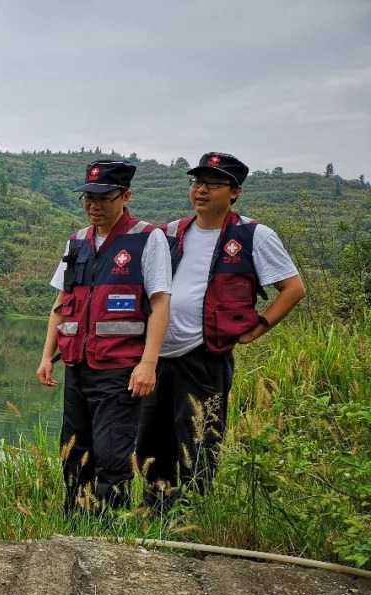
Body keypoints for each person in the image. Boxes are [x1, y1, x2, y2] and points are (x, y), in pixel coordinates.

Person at [137, 153, 305, 499]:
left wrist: (259, 327)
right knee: (150, 441)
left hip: (205, 355)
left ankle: (193, 517)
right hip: (158, 354)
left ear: (235, 191)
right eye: (197, 182)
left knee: (198, 440)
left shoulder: (253, 235)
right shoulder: (170, 232)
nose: (201, 190)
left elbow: (293, 288)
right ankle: (154, 515)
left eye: (213, 184)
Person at [37, 160, 172, 511]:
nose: (94, 206)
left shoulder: (146, 238)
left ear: (126, 196)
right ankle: (74, 521)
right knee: (74, 451)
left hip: (119, 369)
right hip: (77, 366)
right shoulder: (77, 240)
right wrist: (45, 357)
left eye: (104, 198)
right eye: (88, 198)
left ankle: (109, 531)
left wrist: (148, 364)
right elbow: (60, 302)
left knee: (112, 453)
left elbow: (159, 303)